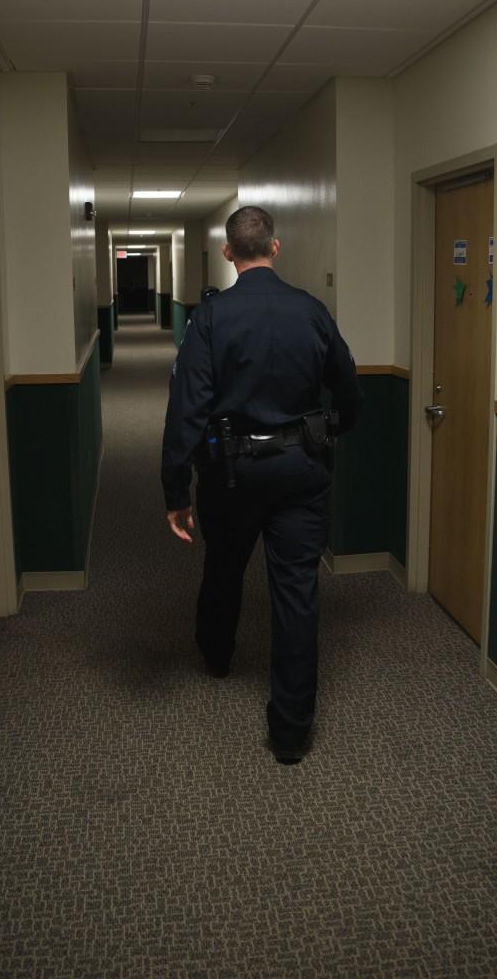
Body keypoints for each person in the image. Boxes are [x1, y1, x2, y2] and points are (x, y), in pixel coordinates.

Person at [161, 206, 362, 764]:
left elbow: (186, 411)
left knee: (224, 565)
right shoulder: (312, 311)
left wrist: (176, 491)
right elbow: (349, 392)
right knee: (296, 592)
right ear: (275, 248)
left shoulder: (210, 319)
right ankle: (292, 731)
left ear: (229, 253)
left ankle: (217, 655)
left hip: (231, 474)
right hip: (301, 471)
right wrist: (333, 431)